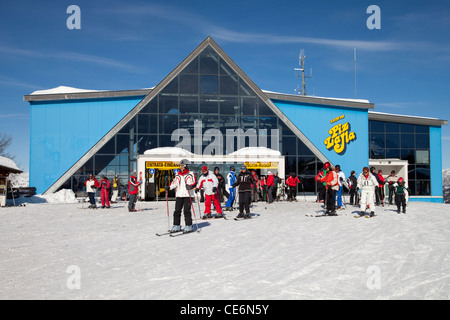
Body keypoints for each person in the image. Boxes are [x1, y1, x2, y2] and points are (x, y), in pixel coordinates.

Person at [166, 159, 197, 233]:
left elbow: (195, 183)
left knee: (186, 211)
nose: (181, 167)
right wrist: (169, 187)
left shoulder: (191, 174)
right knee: (177, 211)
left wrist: (190, 186)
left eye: (182, 166)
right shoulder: (178, 175)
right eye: (180, 166)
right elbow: (174, 183)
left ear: (186, 166)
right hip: (179, 195)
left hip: (187, 195)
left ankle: (189, 225)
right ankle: (177, 225)